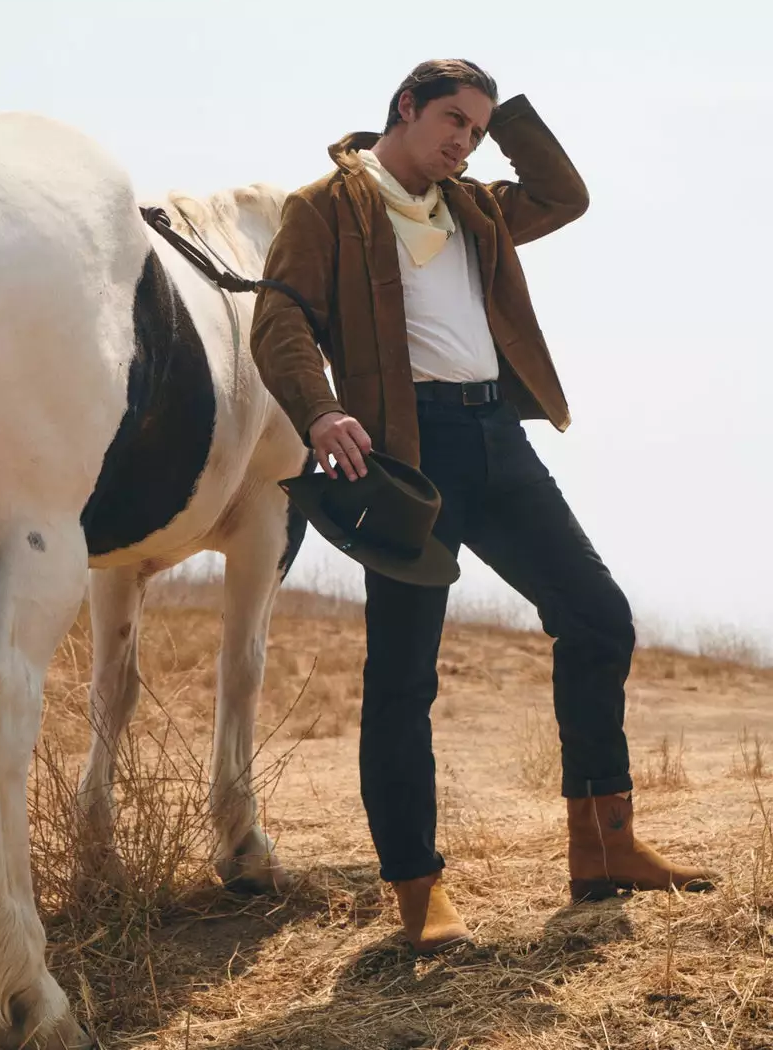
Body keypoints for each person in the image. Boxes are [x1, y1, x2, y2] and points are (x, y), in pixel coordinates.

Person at [251, 59, 715, 954]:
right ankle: (417, 889)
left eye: (476, 128)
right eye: (452, 122)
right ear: (405, 107)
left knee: (597, 617)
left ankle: (605, 846)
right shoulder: (326, 208)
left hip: (497, 436)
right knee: (404, 676)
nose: (463, 142)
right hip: (406, 456)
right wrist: (319, 410)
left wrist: (505, 123)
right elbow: (280, 319)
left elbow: (565, 195)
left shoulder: (476, 207)